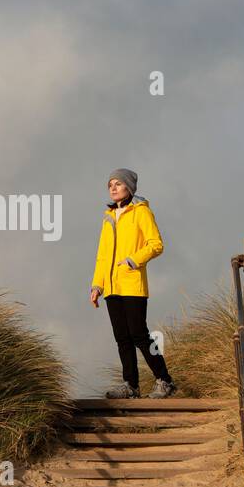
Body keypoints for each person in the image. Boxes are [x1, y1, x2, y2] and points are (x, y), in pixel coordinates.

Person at [89, 168, 176, 399]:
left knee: (140, 334)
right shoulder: (108, 217)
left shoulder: (141, 212)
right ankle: (131, 385)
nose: (113, 188)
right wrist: (97, 285)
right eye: (110, 185)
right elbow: (102, 255)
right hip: (111, 286)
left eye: (118, 183)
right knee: (122, 338)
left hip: (132, 283)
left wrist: (132, 261)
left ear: (129, 186)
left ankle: (165, 380)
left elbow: (156, 244)